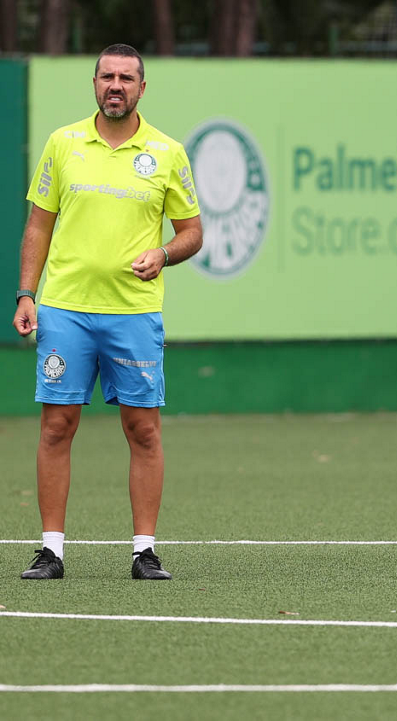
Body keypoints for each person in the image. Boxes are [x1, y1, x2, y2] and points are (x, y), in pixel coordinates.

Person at [12, 44, 202, 580]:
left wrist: (164, 253)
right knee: (56, 426)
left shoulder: (167, 152)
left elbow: (192, 232)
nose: (115, 85)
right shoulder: (62, 143)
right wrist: (26, 294)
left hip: (134, 315)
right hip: (65, 311)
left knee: (143, 429)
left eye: (126, 78)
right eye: (106, 76)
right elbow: (38, 226)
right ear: (93, 83)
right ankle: (51, 551)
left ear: (143, 88)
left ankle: (144, 551)